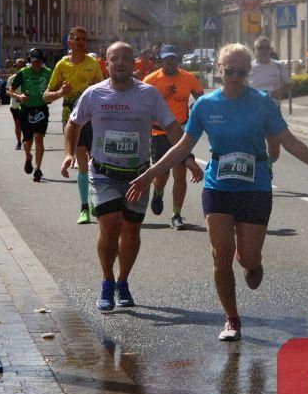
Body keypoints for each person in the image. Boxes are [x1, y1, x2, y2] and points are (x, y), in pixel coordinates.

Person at [126, 43, 308, 341]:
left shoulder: (262, 103)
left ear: (248, 73)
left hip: (254, 187)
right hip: (218, 186)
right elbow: (182, 147)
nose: (234, 78)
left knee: (247, 259)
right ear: (219, 69)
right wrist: (148, 175)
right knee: (221, 255)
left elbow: (290, 141)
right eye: (229, 71)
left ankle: (252, 264)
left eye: (241, 73)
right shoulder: (205, 105)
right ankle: (232, 318)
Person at [63, 42, 199, 311]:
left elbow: (172, 128)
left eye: (126, 58)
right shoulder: (94, 94)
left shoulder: (148, 94)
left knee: (131, 230)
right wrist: (68, 154)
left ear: (133, 62)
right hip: (103, 173)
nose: (121, 62)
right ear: (107, 63)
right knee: (110, 225)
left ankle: (122, 281)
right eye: (115, 58)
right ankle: (106, 280)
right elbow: (74, 124)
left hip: (138, 175)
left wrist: (189, 158)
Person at [44, 27, 104, 224]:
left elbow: (105, 90)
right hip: (71, 117)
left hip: (92, 118)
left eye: (83, 40)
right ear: (69, 42)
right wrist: (60, 93)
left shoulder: (92, 64)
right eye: (76, 39)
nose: (80, 42)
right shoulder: (62, 65)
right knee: (82, 163)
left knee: (97, 161)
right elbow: (46, 96)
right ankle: (84, 208)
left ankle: (95, 200)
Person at [143, 44, 205, 229]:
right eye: (166, 59)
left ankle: (176, 215)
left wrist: (198, 108)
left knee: (180, 174)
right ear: (160, 61)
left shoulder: (188, 78)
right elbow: (142, 106)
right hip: (159, 132)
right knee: (162, 174)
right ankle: (158, 191)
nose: (170, 62)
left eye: (173, 58)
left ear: (177, 60)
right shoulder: (150, 80)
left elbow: (202, 99)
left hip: (181, 132)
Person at [8, 48, 53, 182]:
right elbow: (9, 90)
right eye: (34, 61)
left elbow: (54, 87)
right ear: (30, 61)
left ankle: (37, 168)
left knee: (39, 138)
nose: (37, 64)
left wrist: (53, 95)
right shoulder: (23, 72)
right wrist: (19, 96)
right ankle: (28, 156)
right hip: (26, 110)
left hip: (41, 109)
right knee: (28, 142)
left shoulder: (48, 73)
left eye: (39, 61)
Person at [249, 36, 291, 164]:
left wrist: (282, 91)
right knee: (254, 144)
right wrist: (268, 93)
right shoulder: (248, 68)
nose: (264, 51)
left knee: (274, 148)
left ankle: (268, 165)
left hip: (273, 110)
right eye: (260, 48)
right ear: (255, 50)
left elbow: (288, 85)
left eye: (267, 48)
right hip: (253, 111)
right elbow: (243, 90)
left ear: (270, 50)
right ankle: (258, 167)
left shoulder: (278, 66)